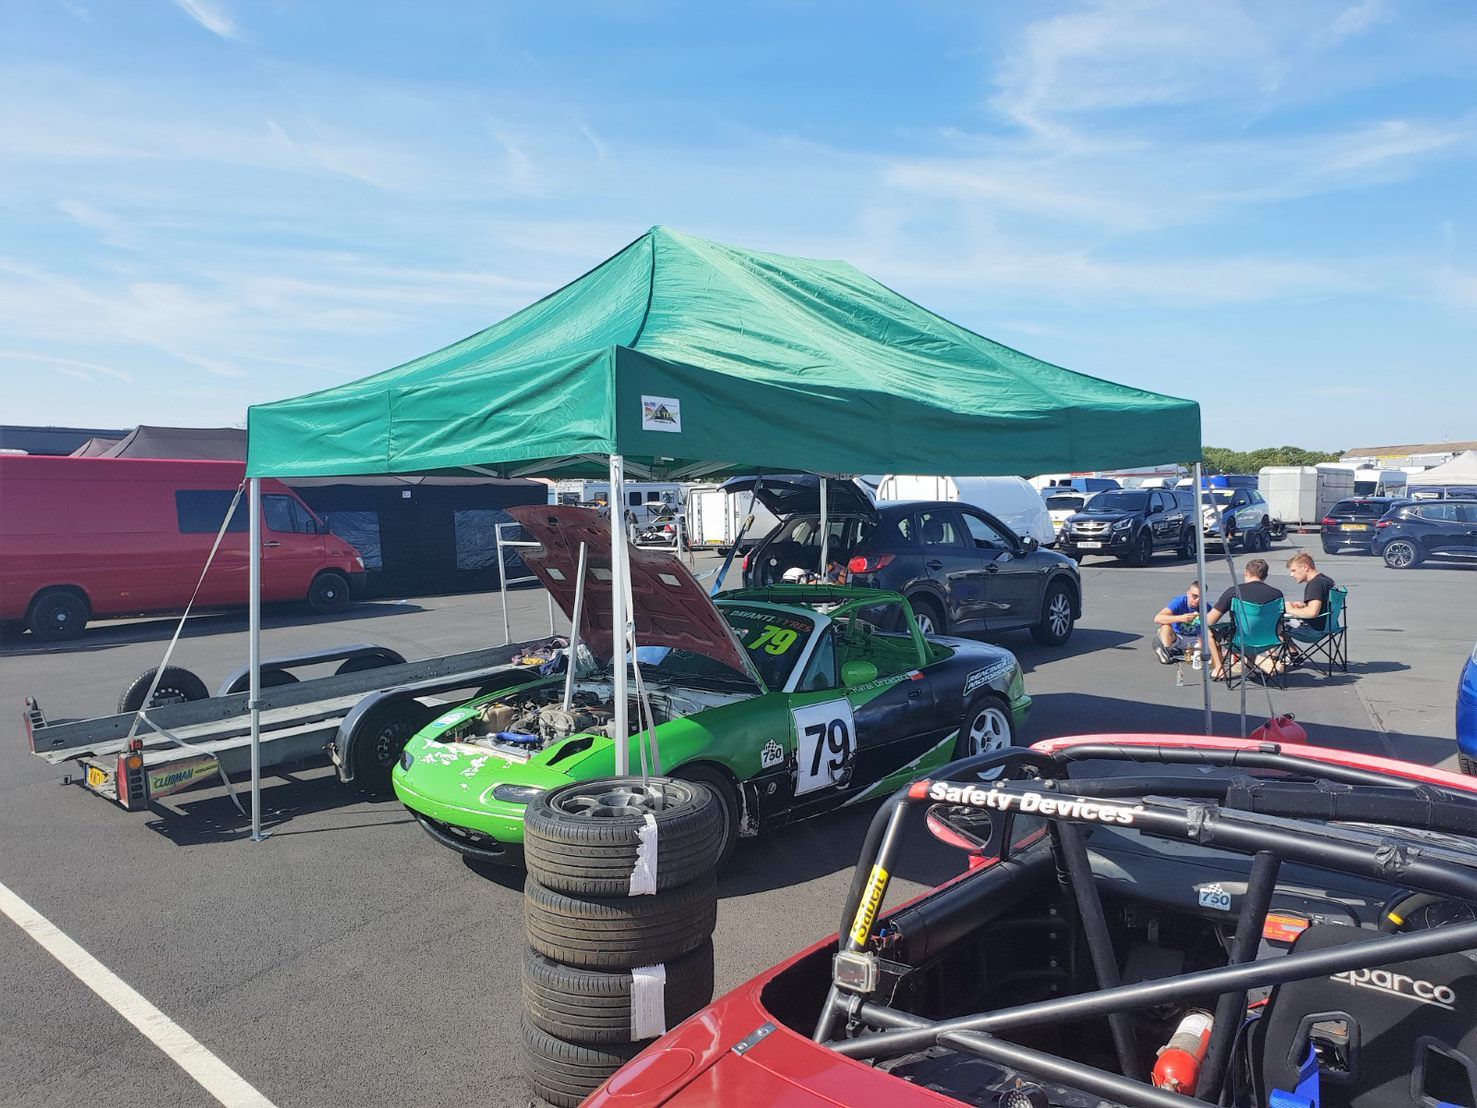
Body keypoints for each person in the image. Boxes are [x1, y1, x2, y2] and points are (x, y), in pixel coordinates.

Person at [1204, 559, 1284, 679]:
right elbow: (1279, 623)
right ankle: (1250, 667)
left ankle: (1219, 669)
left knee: (1208, 630)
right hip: (1268, 640)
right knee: (1255, 627)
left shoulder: (1234, 591)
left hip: (1240, 639)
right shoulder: (1277, 594)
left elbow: (1210, 621)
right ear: (1265, 576)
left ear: (1246, 573)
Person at [1153, 580, 1203, 664]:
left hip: (1193, 639)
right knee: (1165, 626)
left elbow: (1210, 626)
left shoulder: (1206, 607)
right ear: (1188, 593)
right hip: (1176, 636)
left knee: (1210, 647)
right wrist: (1181, 618)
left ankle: (1183, 652)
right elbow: (1157, 618)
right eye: (1194, 596)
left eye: (1200, 597)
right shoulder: (1180, 602)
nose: (1197, 600)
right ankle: (1166, 650)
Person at [1284, 552, 1334, 633]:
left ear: (1305, 567)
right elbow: (1324, 605)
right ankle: (1292, 646)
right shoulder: (1326, 581)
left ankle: (1291, 646)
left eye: (1294, 570)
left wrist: (1289, 609)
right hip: (1329, 626)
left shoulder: (1315, 584)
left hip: (1313, 629)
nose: (1291, 575)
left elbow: (1312, 613)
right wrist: (1305, 605)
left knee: (1276, 625)